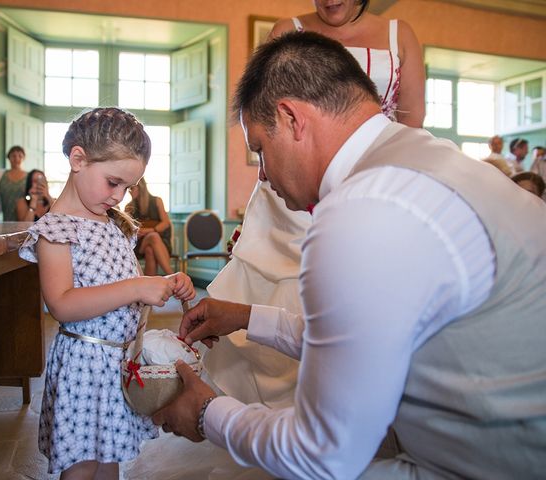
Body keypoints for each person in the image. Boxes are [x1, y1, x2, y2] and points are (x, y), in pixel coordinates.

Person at [153, 32, 546, 479]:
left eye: (260, 149)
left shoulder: (363, 210)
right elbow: (360, 339)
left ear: (291, 118)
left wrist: (208, 414)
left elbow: (321, 455)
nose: (263, 175)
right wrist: (245, 316)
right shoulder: (433, 159)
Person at [204, 0, 426, 410]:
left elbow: (413, 123)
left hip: (373, 174)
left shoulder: (401, 34)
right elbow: (264, 117)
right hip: (294, 196)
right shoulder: (285, 29)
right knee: (292, 289)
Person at [18, 107, 195, 479]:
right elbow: (62, 304)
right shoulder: (57, 230)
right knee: (82, 463)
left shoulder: (113, 225)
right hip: (84, 364)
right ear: (78, 159)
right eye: (113, 182)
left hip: (116, 362)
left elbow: (118, 280)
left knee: (108, 456)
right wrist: (136, 286)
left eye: (128, 187)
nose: (119, 195)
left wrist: (164, 282)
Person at [270, 0, 425, 128]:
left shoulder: (400, 34)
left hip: (383, 156)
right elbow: (266, 111)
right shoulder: (287, 31)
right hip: (309, 159)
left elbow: (412, 119)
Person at [125, 178, 174, 276]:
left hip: (161, 241)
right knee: (153, 236)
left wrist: (150, 230)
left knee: (150, 250)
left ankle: (150, 287)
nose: (129, 192)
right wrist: (138, 233)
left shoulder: (157, 201)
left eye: (131, 189)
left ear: (140, 188)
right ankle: (172, 275)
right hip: (139, 244)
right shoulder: (128, 207)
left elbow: (166, 223)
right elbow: (128, 231)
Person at [0, 145, 28, 221]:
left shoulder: (29, 176)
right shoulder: (0, 175)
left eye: (20, 156)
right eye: (13, 156)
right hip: (6, 218)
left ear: (23, 158)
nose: (16, 159)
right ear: (9, 157)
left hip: (24, 219)